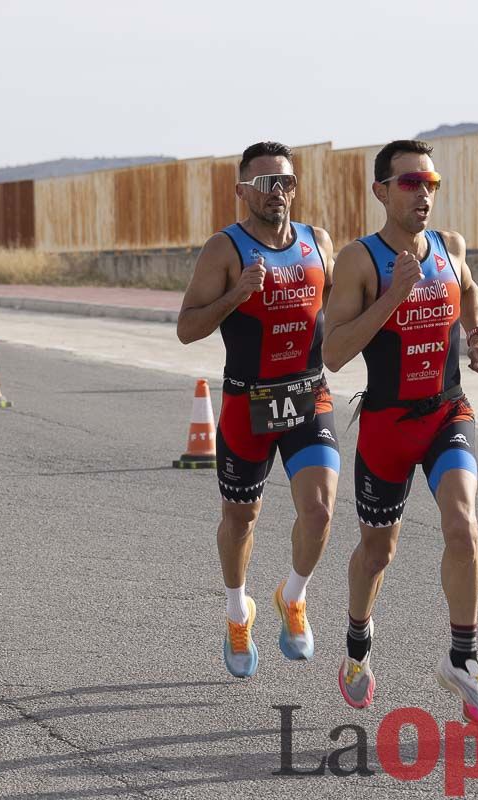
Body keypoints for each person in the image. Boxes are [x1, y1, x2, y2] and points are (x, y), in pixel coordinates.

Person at [322, 139, 478, 725]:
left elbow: (469, 290)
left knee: (463, 527)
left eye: (431, 183)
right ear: (381, 191)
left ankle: (463, 660)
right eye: (409, 183)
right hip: (386, 424)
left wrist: (477, 337)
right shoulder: (360, 260)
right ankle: (356, 649)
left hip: (447, 412)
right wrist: (394, 296)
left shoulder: (450, 248)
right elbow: (334, 352)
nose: (423, 193)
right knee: (378, 552)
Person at [177, 141, 339, 679]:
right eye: (268, 183)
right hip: (247, 401)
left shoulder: (317, 241)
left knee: (318, 511)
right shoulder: (224, 249)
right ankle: (236, 609)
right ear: (243, 190)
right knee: (240, 517)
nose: (280, 193)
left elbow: (341, 309)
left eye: (288, 182)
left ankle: (293, 597)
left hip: (308, 394)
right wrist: (236, 296)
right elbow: (187, 328)